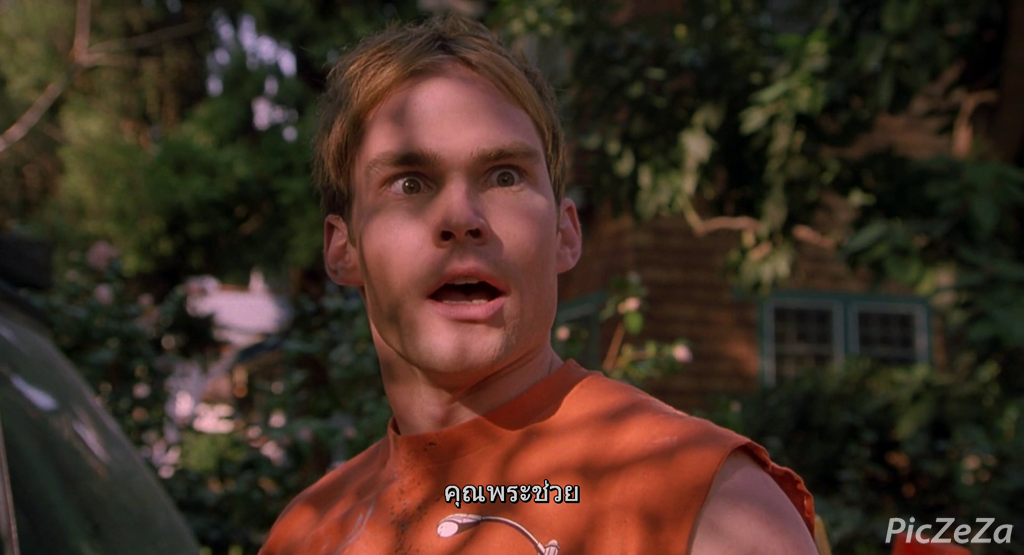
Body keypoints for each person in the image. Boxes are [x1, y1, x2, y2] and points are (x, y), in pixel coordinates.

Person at [260, 14, 820, 555]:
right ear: (344, 248)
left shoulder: (706, 506)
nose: (460, 217)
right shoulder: (305, 535)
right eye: (410, 183)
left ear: (564, 234)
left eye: (504, 176)